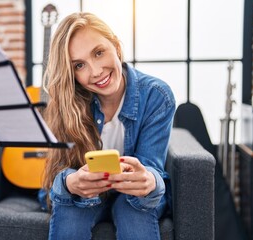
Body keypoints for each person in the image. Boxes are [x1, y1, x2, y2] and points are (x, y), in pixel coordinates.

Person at [40, 12, 176, 240]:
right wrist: (70, 182)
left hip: (134, 199)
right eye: (79, 65)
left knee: (133, 212)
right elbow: (57, 176)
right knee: (71, 209)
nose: (95, 71)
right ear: (71, 73)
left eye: (99, 53)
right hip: (88, 196)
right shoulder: (67, 100)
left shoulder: (156, 95)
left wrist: (149, 180)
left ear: (116, 46)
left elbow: (153, 168)